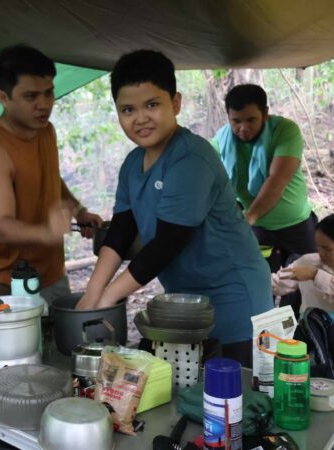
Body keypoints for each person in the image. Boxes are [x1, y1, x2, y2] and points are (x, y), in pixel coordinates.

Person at [76, 50, 273, 367]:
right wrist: (92, 294)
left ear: (176, 103)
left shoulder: (190, 158)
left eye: (152, 104)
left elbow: (166, 245)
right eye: (128, 109)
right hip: (187, 300)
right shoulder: (131, 165)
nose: (140, 117)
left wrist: (109, 298)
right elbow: (121, 232)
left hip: (234, 297)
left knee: (234, 397)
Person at [0, 44, 102, 303]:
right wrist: (47, 232)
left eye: (49, 93)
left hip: (52, 275)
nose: (44, 105)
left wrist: (78, 211)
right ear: (3, 98)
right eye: (31, 97)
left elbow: (50, 177)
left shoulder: (45, 131)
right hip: (8, 287)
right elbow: (2, 225)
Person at [212, 84, 317, 273]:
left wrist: (248, 218)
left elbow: (277, 181)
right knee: (262, 283)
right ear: (227, 115)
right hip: (258, 229)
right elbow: (205, 172)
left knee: (306, 285)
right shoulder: (221, 139)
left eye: (251, 120)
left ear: (265, 113)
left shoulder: (285, 131)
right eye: (236, 121)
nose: (243, 128)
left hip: (296, 225)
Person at [272, 213, 334, 390]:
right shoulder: (308, 262)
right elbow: (279, 285)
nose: (320, 253)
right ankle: (290, 389)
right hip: (309, 331)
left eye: (327, 249)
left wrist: (317, 276)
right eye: (318, 247)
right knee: (293, 337)